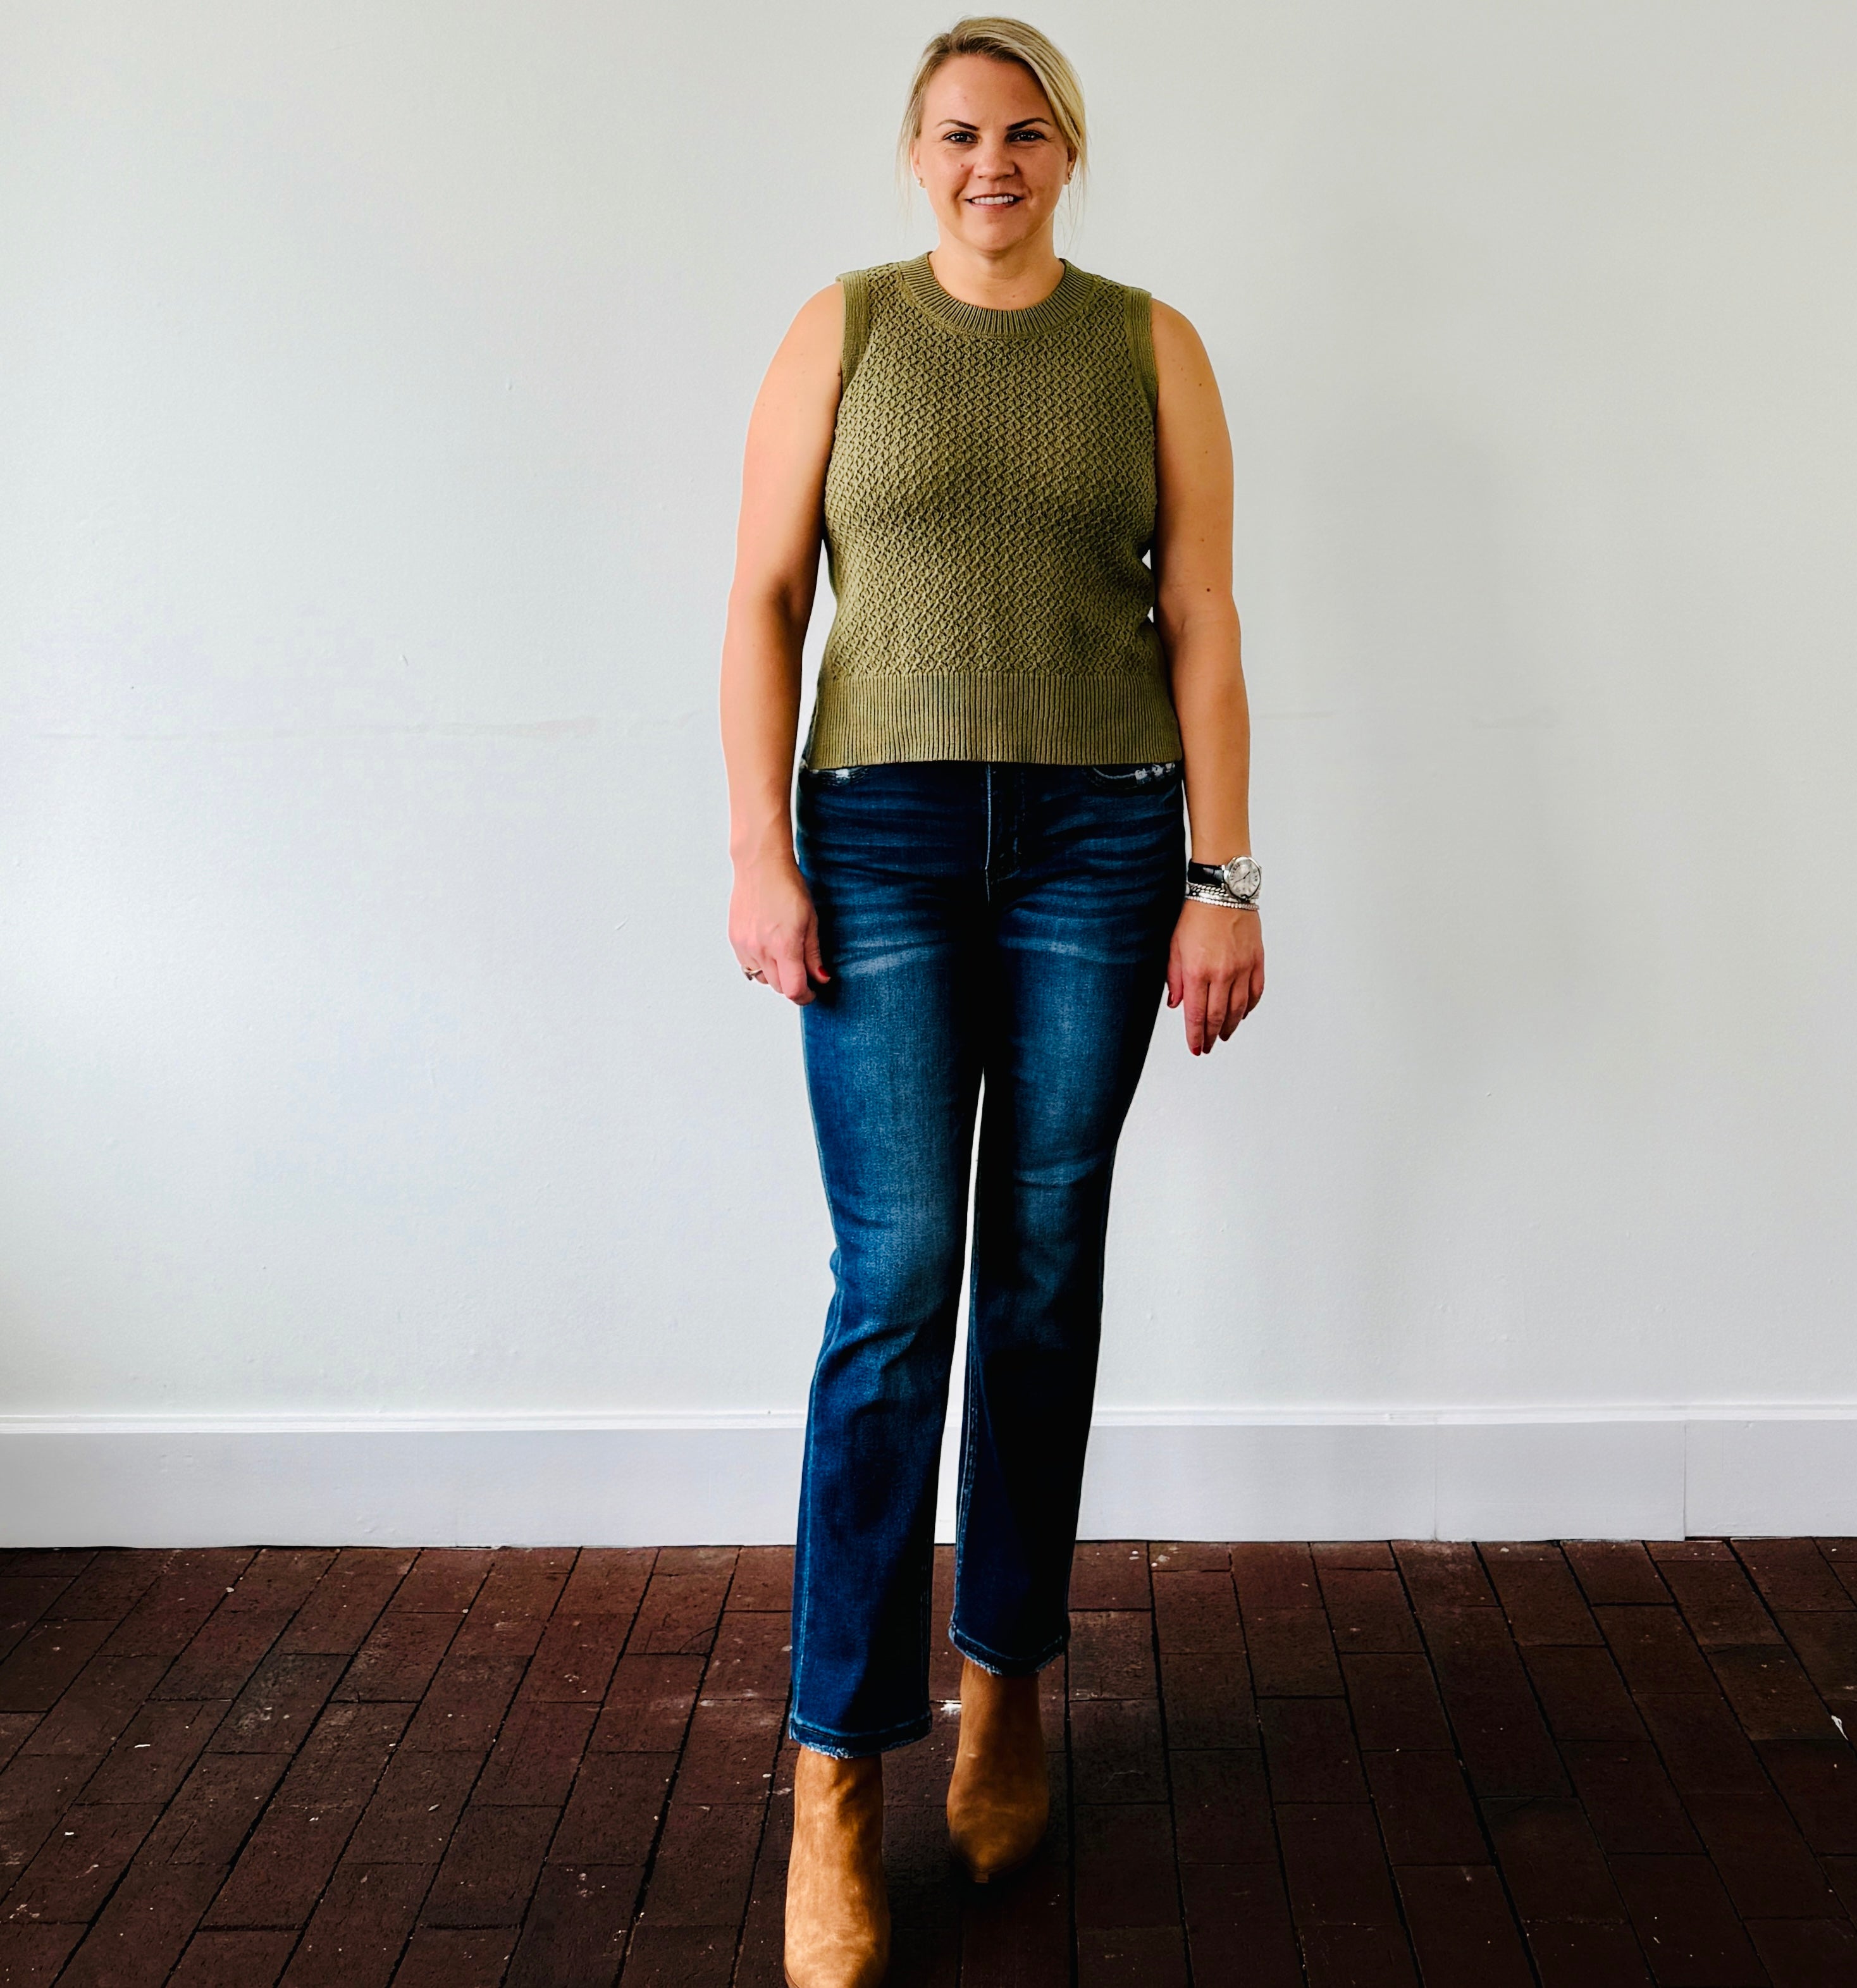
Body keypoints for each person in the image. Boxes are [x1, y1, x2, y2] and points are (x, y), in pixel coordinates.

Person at [719, 17, 1263, 1984]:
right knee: (895, 1288)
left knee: (1040, 1271)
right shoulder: (846, 328)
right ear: (916, 152)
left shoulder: (1148, 345)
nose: (991, 163)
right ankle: (835, 1777)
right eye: (959, 133)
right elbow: (765, 599)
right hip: (875, 836)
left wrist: (1221, 875)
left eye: (1025, 132)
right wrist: (759, 848)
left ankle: (1008, 1684)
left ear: (1067, 150)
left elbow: (1199, 610)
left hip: (1100, 842)